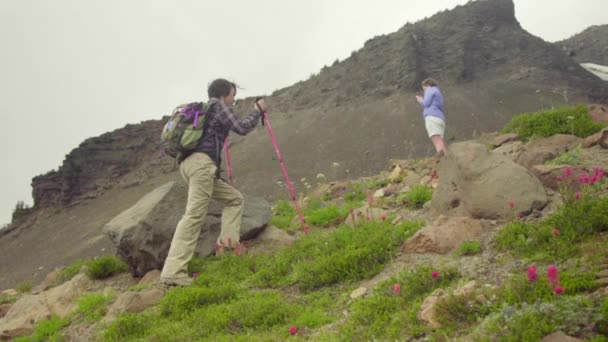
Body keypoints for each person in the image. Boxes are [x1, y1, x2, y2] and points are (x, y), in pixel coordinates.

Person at [160, 78, 265, 286]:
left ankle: (227, 249)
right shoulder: (217, 105)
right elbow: (241, 127)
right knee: (194, 216)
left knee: (234, 199)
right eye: (233, 96)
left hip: (190, 165)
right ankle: (173, 271)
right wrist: (258, 111)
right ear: (224, 94)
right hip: (201, 165)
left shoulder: (206, 111)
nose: (233, 101)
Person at [416, 78, 447, 157]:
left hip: (432, 117)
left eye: (424, 88)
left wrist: (421, 100)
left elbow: (426, 103)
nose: (424, 90)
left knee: (436, 139)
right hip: (440, 118)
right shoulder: (438, 92)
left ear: (427, 85)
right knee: (440, 140)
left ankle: (443, 159)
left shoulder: (430, 89)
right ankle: (447, 159)